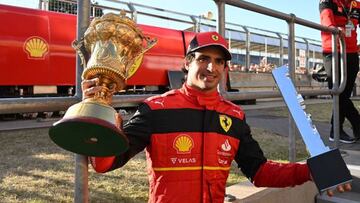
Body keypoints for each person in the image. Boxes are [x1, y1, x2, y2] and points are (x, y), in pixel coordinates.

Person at [83, 31, 350, 202]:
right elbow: (105, 164)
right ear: (187, 62)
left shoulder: (233, 116)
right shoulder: (155, 109)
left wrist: (312, 170)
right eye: (203, 59)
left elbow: (260, 172)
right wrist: (98, 111)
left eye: (219, 61)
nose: (211, 68)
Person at [320, 0, 360, 143]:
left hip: (352, 54)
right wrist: (335, 29)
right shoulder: (327, 1)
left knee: (343, 95)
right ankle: (356, 124)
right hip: (333, 51)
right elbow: (326, 19)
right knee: (337, 92)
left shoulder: (356, 5)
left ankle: (335, 131)